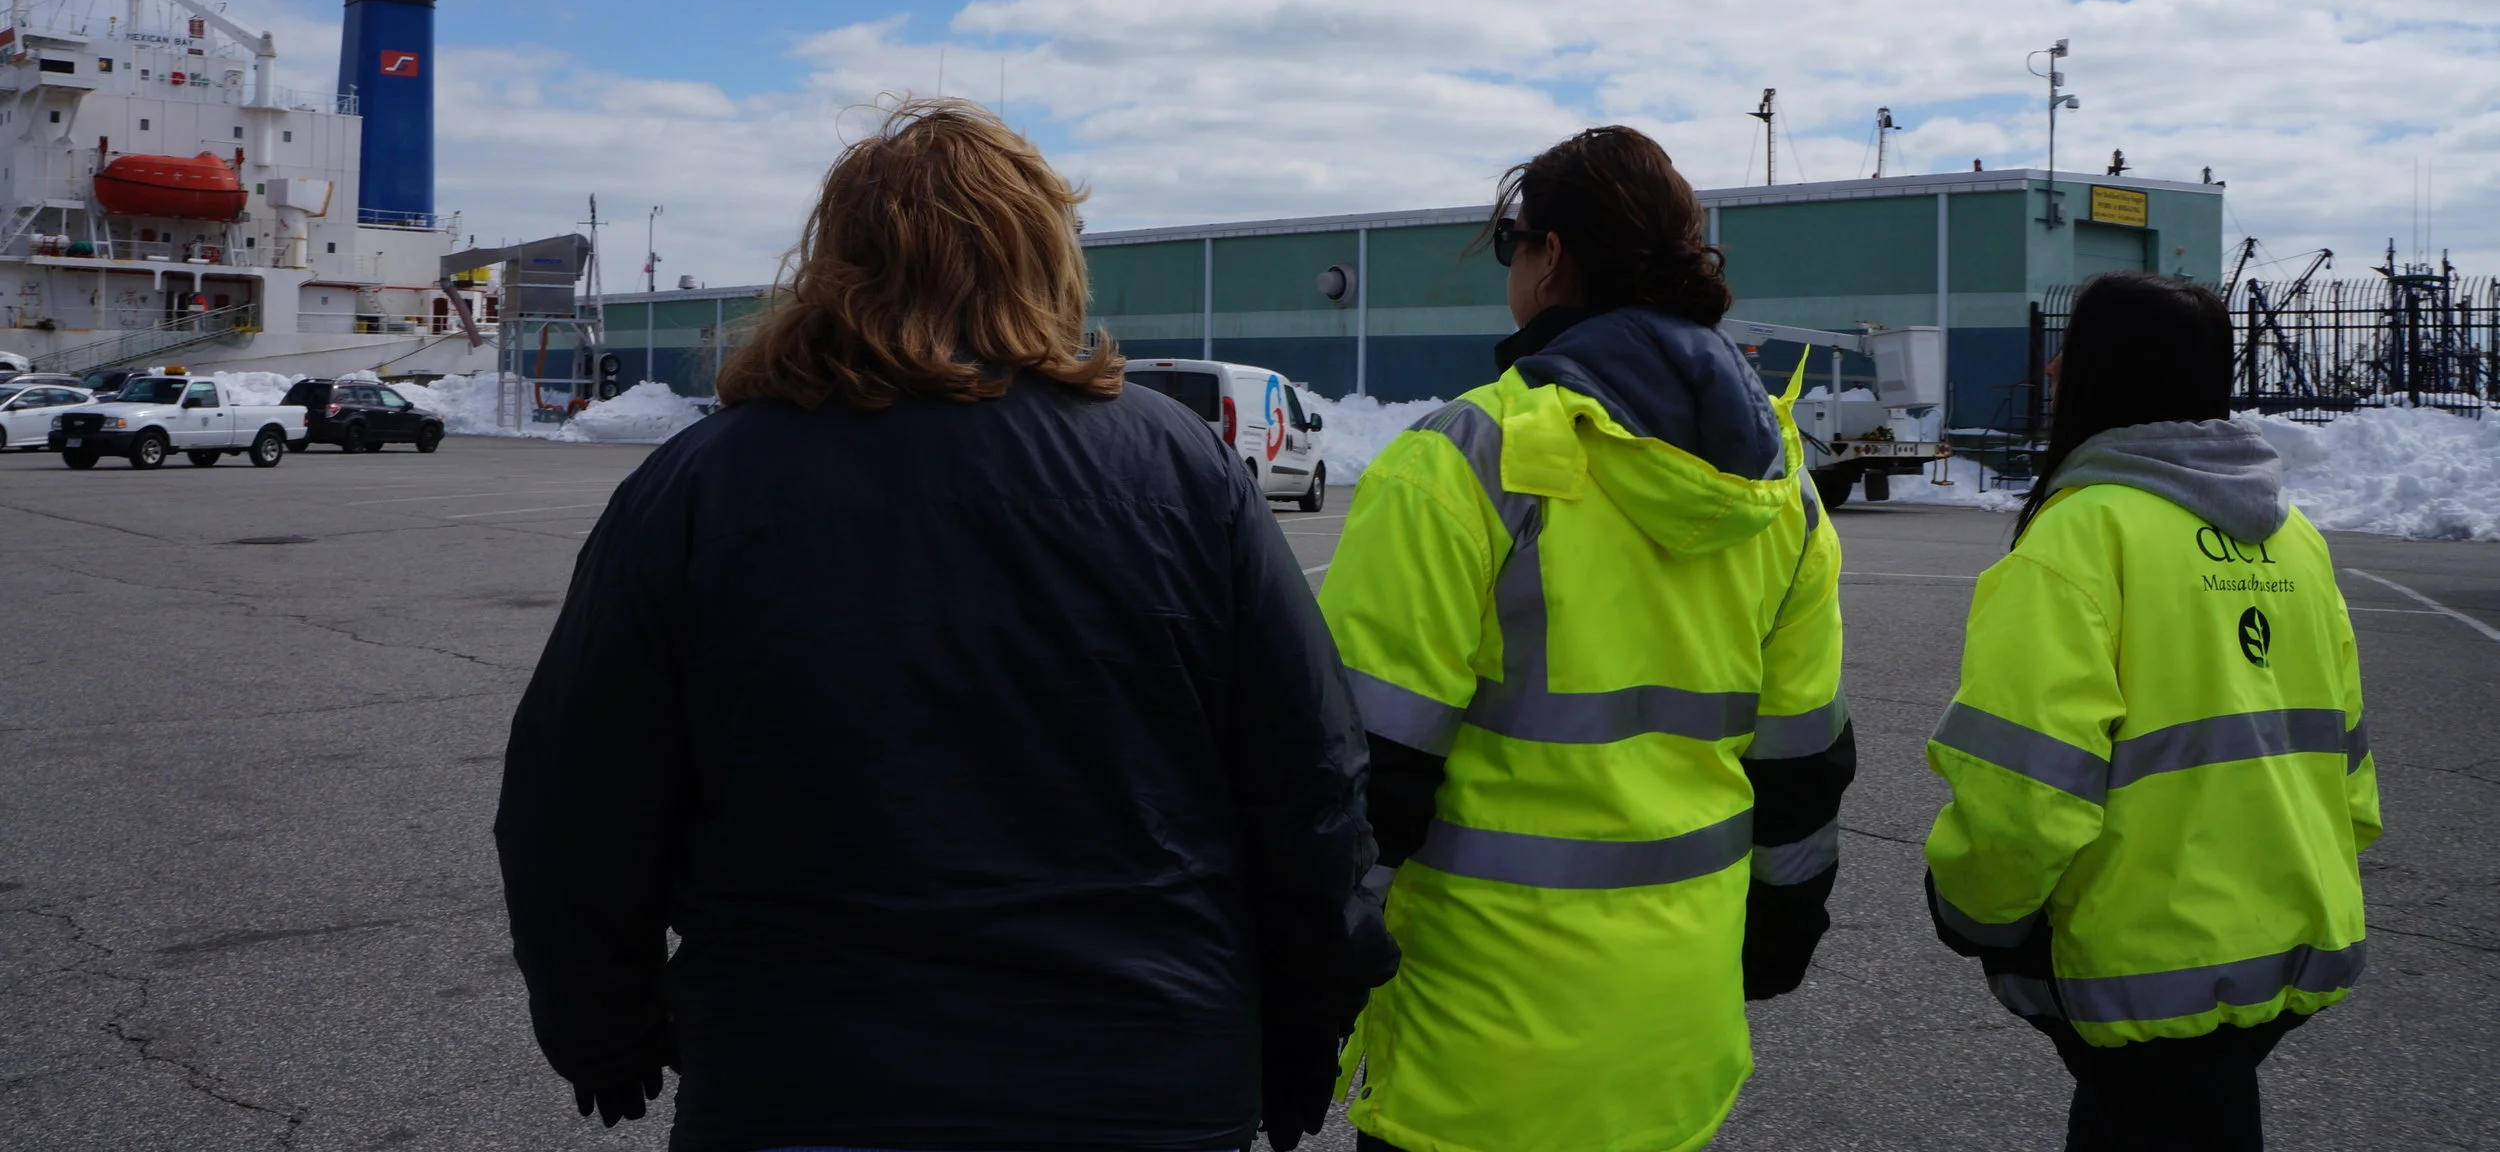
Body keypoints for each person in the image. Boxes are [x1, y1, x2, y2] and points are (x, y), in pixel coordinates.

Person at [495, 99, 1397, 1152]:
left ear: (836, 265)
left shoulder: (699, 485)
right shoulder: (1182, 469)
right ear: (1044, 258)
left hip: (806, 1080)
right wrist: (1300, 1023)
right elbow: (1311, 784)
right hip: (1141, 1074)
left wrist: (598, 1022)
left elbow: (575, 796)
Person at [1317, 125, 1854, 1152]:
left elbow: (1360, 776)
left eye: (1514, 239)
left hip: (1478, 1058)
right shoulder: (1780, 488)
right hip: (1676, 1040)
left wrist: (1308, 980)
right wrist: (1775, 935)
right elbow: (1801, 763)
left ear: (1549, 254)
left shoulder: (1463, 460)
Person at [1924, 270, 2378, 1151]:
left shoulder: (2081, 536)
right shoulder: (2296, 540)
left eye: (2072, 354)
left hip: (2147, 969)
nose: (2053, 372)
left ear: (2109, 372)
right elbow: (2346, 770)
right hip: (2289, 940)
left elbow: (2022, 798)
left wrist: (1971, 912)